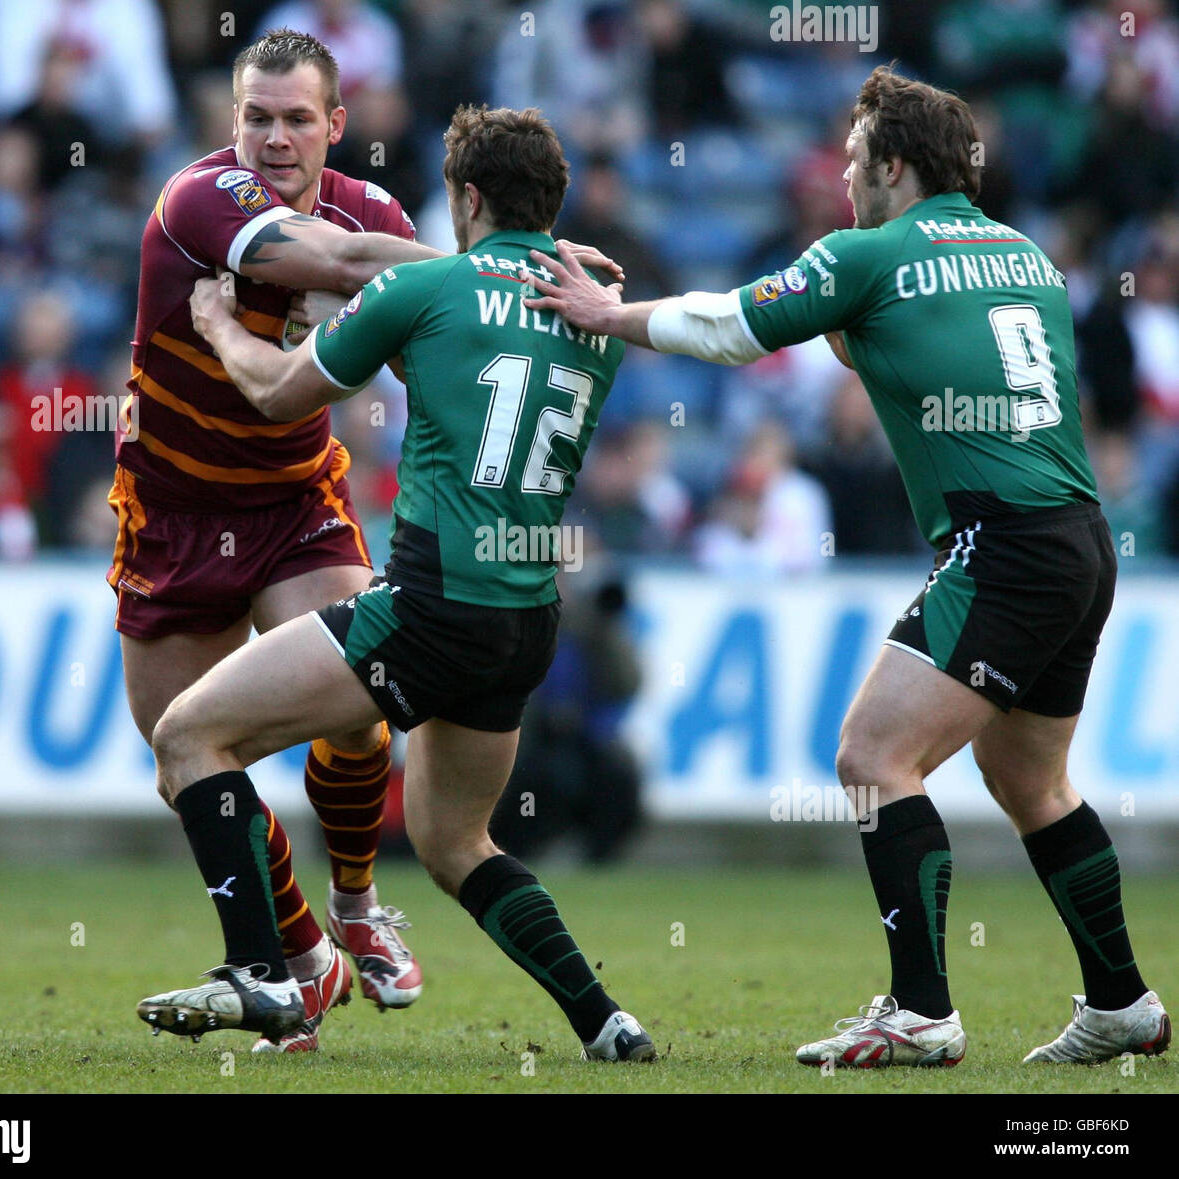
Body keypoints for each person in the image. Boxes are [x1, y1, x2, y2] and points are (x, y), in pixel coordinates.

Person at [523, 64, 1170, 1068]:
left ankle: (920, 1010)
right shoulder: (1027, 257)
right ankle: (1121, 1001)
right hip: (1079, 538)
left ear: (896, 166)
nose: (843, 176)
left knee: (873, 759)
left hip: (1000, 544)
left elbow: (735, 328)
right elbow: (920, 353)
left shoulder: (868, 254)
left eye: (857, 160)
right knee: (1027, 778)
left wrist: (607, 315)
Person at [136, 104, 655, 1062]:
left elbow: (280, 390)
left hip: (427, 607)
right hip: (527, 618)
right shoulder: (596, 324)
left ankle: (259, 971)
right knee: (459, 844)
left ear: (464, 198)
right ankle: (605, 1021)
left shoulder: (429, 294)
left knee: (189, 739)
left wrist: (214, 322)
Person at [111, 28, 442, 1054]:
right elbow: (340, 264)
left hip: (295, 506)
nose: (274, 136)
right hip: (170, 515)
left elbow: (429, 351)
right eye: (257, 115)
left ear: (336, 126)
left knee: (360, 705)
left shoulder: (376, 211)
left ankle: (355, 903)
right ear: (233, 121)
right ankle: (301, 956)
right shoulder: (201, 199)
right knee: (187, 766)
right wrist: (485, 270)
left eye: (298, 117)